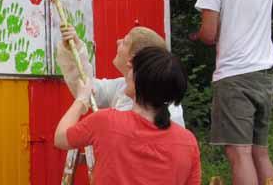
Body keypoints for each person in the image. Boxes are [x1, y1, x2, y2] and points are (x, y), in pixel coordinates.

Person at [191, 0, 273, 185]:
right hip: (264, 75)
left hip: (235, 78)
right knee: (259, 152)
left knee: (238, 153)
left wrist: (194, 35)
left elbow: (208, 35)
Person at [54, 46, 200, 185]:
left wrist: (81, 100)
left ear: (139, 80)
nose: (127, 72)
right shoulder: (188, 142)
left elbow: (60, 138)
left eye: (132, 69)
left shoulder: (106, 122)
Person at [56, 25, 185, 126]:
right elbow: (91, 90)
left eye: (125, 42)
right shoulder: (123, 86)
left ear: (133, 58)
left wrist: (80, 102)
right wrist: (75, 50)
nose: (118, 41)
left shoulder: (169, 110)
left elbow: (62, 138)